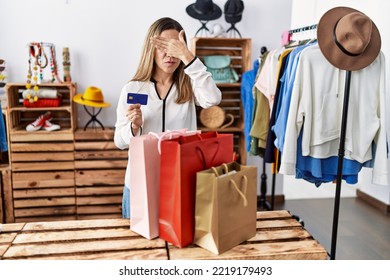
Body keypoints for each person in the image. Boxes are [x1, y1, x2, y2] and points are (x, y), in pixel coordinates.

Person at [114, 17, 222, 218]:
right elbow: (119, 141)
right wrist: (133, 127)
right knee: (142, 247)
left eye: (175, 47)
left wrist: (188, 56)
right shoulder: (133, 88)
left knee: (182, 246)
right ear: (151, 48)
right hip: (141, 184)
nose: (170, 54)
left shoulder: (189, 86)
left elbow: (213, 98)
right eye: (163, 46)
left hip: (181, 181)